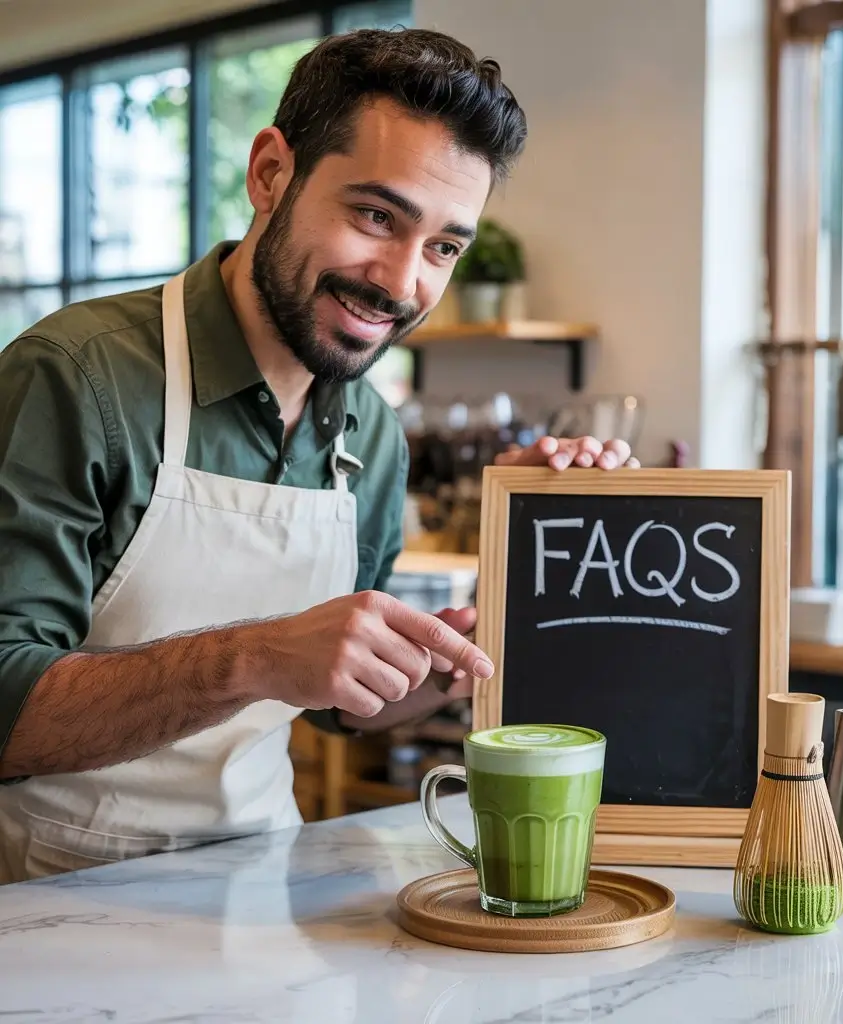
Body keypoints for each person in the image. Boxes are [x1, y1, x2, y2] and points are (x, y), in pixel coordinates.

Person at [0, 27, 638, 883]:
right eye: (377, 216)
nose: (403, 283)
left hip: (260, 885)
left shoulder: (370, 432)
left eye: (444, 246)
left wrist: (458, 650)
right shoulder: (79, 376)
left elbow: (345, 712)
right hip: (44, 896)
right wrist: (255, 656)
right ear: (271, 173)